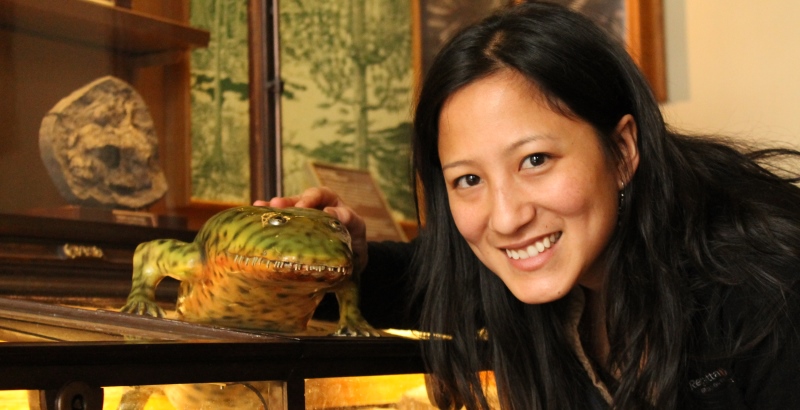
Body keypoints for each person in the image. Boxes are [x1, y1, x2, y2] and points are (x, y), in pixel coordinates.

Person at [262, 2, 800, 408]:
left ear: (622, 150)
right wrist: (345, 258)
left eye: (536, 160)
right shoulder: (526, 278)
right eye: (468, 178)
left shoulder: (771, 289)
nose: (506, 217)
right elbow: (430, 280)